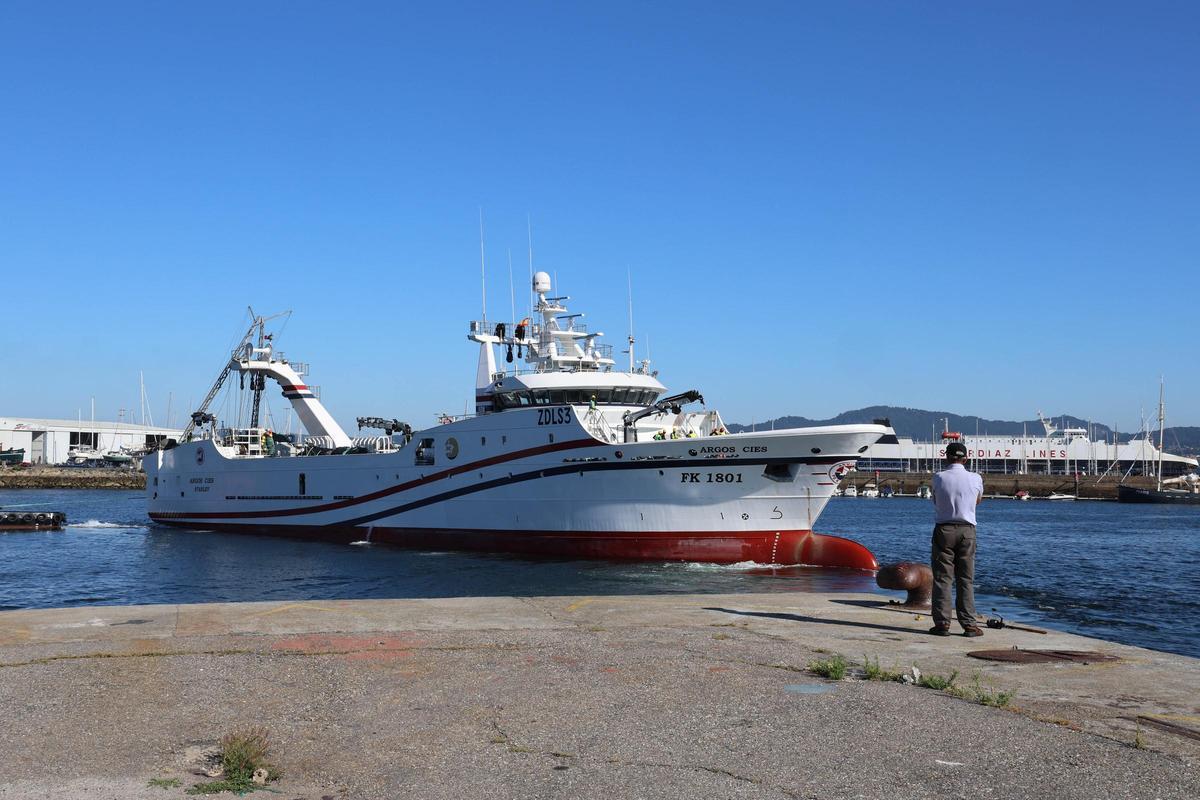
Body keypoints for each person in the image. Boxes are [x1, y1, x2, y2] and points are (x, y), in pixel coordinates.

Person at [929, 441, 985, 637]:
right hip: (967, 530)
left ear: (946, 457)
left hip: (944, 529)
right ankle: (969, 625)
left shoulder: (938, 478)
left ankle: (942, 624)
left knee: (942, 578)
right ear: (966, 458)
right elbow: (977, 501)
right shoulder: (975, 478)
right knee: (965, 579)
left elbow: (935, 500)